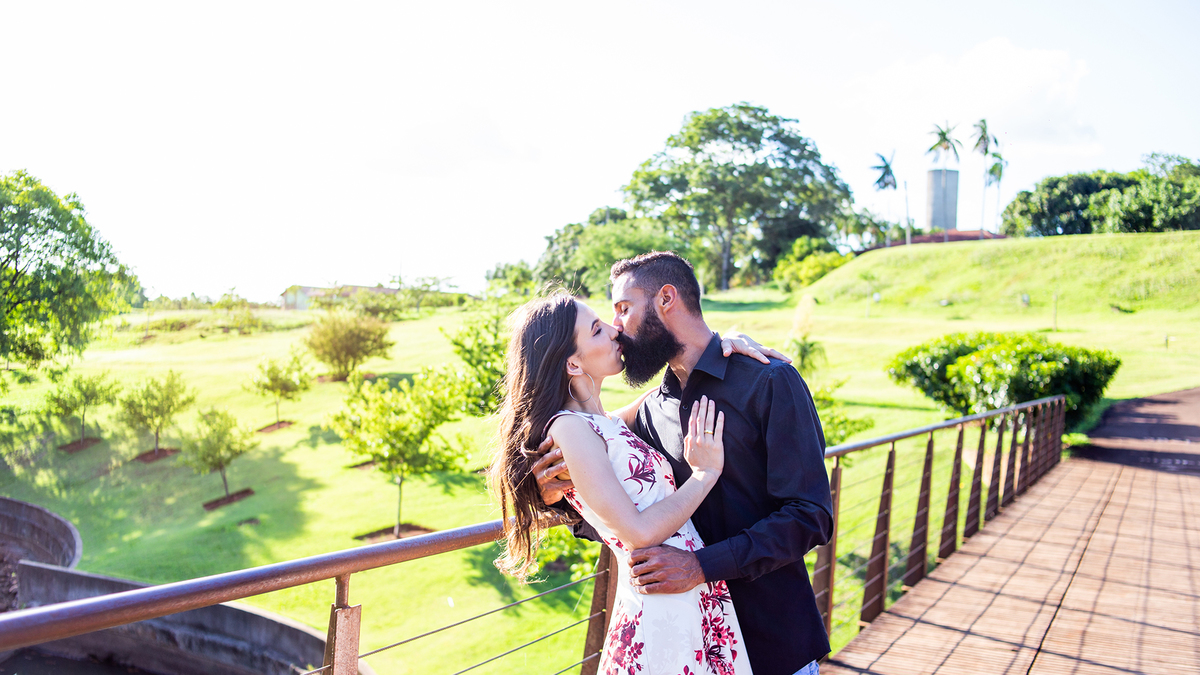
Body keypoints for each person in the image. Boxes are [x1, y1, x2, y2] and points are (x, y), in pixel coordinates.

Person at [533, 252, 833, 675]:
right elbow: (628, 509)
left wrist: (700, 567)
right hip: (684, 644)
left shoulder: (769, 382)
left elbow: (810, 515)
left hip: (772, 642)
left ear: (666, 299)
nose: (616, 326)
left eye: (623, 308)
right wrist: (560, 496)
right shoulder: (648, 412)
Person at [490, 292, 782, 674]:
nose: (614, 331)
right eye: (597, 330)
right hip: (661, 609)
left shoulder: (605, 421)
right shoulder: (569, 429)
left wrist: (720, 344)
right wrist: (705, 474)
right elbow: (639, 532)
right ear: (573, 363)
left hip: (687, 596)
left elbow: (666, 392)